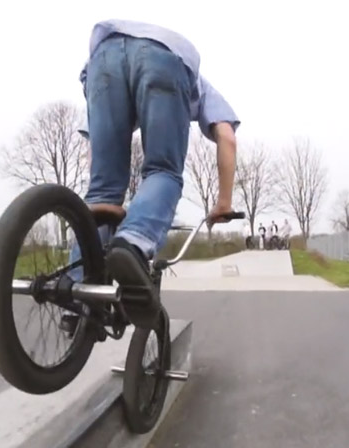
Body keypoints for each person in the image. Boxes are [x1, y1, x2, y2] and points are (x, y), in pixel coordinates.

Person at [67, 19, 241, 327]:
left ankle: (73, 297)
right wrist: (224, 203)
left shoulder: (115, 69)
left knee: (102, 192)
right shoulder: (199, 83)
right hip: (166, 55)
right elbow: (226, 136)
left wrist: (102, 187)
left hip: (102, 57)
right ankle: (133, 244)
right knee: (163, 171)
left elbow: (94, 140)